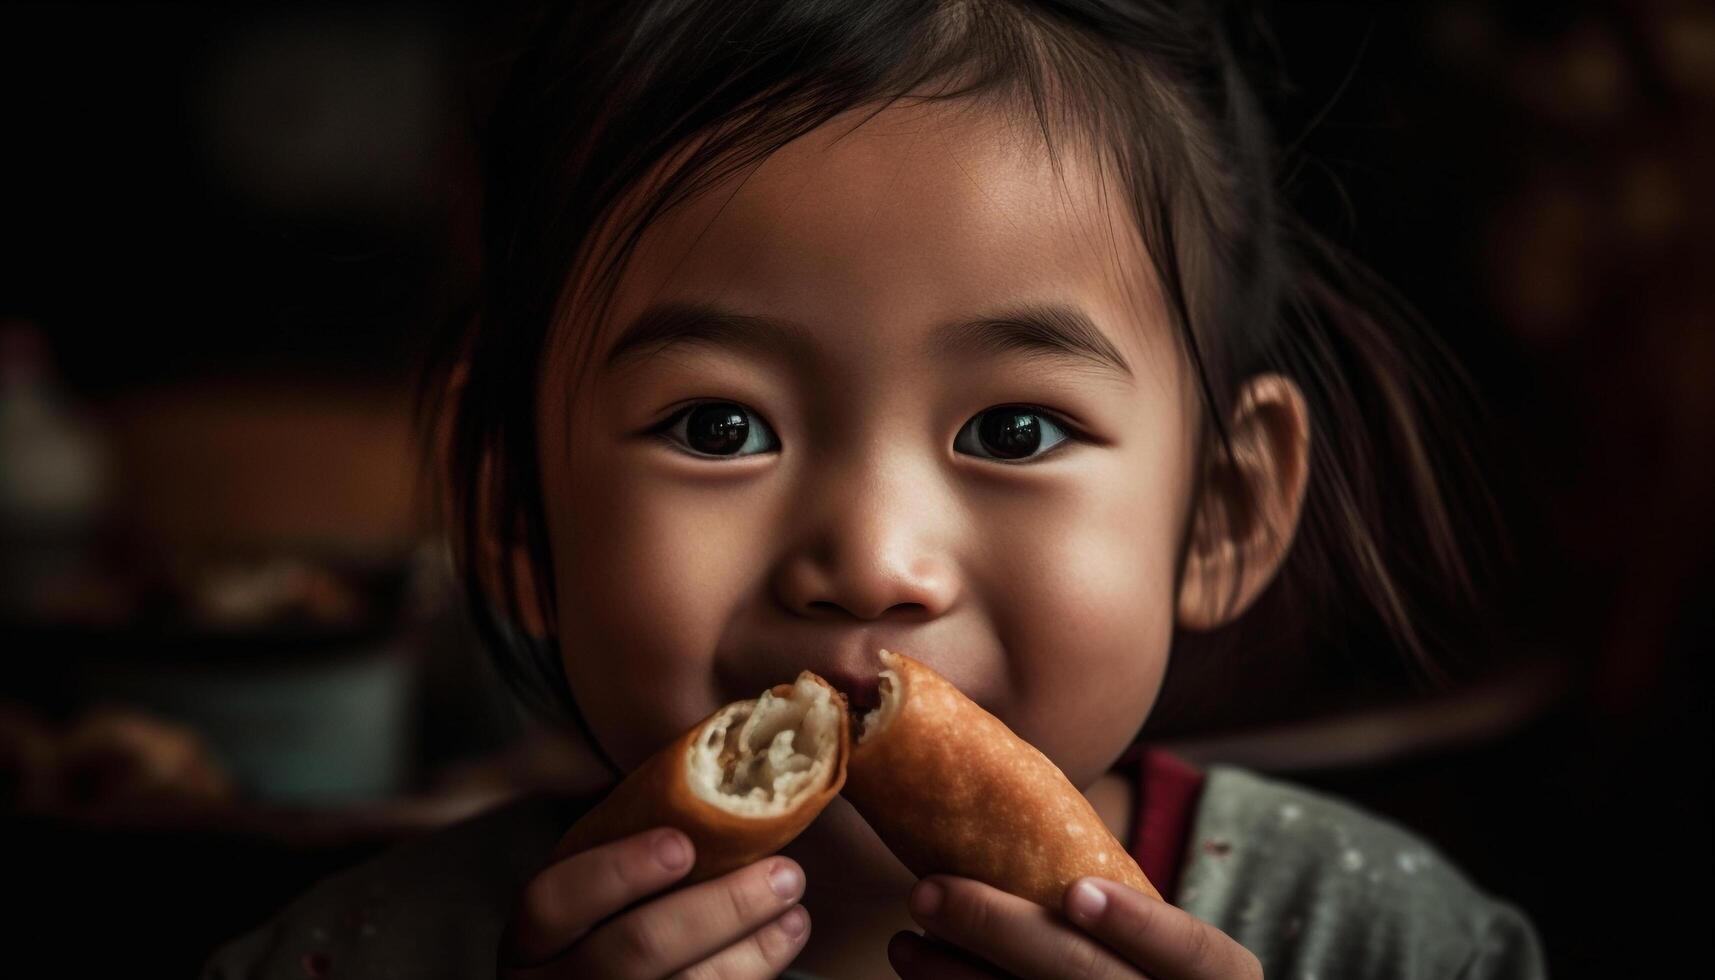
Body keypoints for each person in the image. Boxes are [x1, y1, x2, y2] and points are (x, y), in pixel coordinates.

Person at [204, 1, 1547, 977]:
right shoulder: (365, 956)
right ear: (511, 514)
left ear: (1225, 512)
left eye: (1016, 428)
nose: (870, 557)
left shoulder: (1385, 943)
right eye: (719, 425)